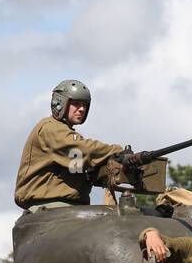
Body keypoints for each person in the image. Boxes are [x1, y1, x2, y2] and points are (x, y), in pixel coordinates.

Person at [14, 79, 133, 212]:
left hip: (71, 209)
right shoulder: (50, 129)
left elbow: (80, 163)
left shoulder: (66, 135)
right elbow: (85, 150)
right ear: (59, 103)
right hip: (50, 208)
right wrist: (116, 151)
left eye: (84, 105)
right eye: (76, 104)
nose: (82, 109)